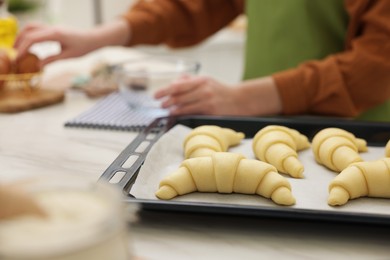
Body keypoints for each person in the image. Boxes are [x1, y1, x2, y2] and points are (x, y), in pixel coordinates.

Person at [14, 0, 390, 120]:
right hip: (258, 128)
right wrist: (98, 37)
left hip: (356, 139)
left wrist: (242, 99)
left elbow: (379, 62)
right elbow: (197, 4)